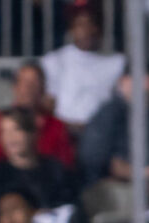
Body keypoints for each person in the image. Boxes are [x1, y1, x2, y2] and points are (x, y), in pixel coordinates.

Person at [0, 108, 83, 223]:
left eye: (17, 129)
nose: (10, 137)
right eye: (4, 131)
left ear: (33, 133)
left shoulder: (56, 171)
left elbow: (72, 208)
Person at [80, 68, 149, 187]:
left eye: (148, 93)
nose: (145, 89)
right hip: (116, 186)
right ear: (123, 82)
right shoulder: (108, 116)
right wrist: (141, 172)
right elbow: (97, 161)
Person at [40, 1, 125, 131]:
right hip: (63, 132)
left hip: (103, 132)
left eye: (92, 24)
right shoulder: (54, 60)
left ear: (100, 27)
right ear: (72, 28)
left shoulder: (118, 62)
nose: (87, 30)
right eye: (81, 25)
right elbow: (48, 105)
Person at [0, 60, 76, 170]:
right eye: (23, 82)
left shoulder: (56, 126)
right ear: (14, 87)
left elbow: (66, 167)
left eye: (34, 83)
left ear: (43, 89)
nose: (28, 89)